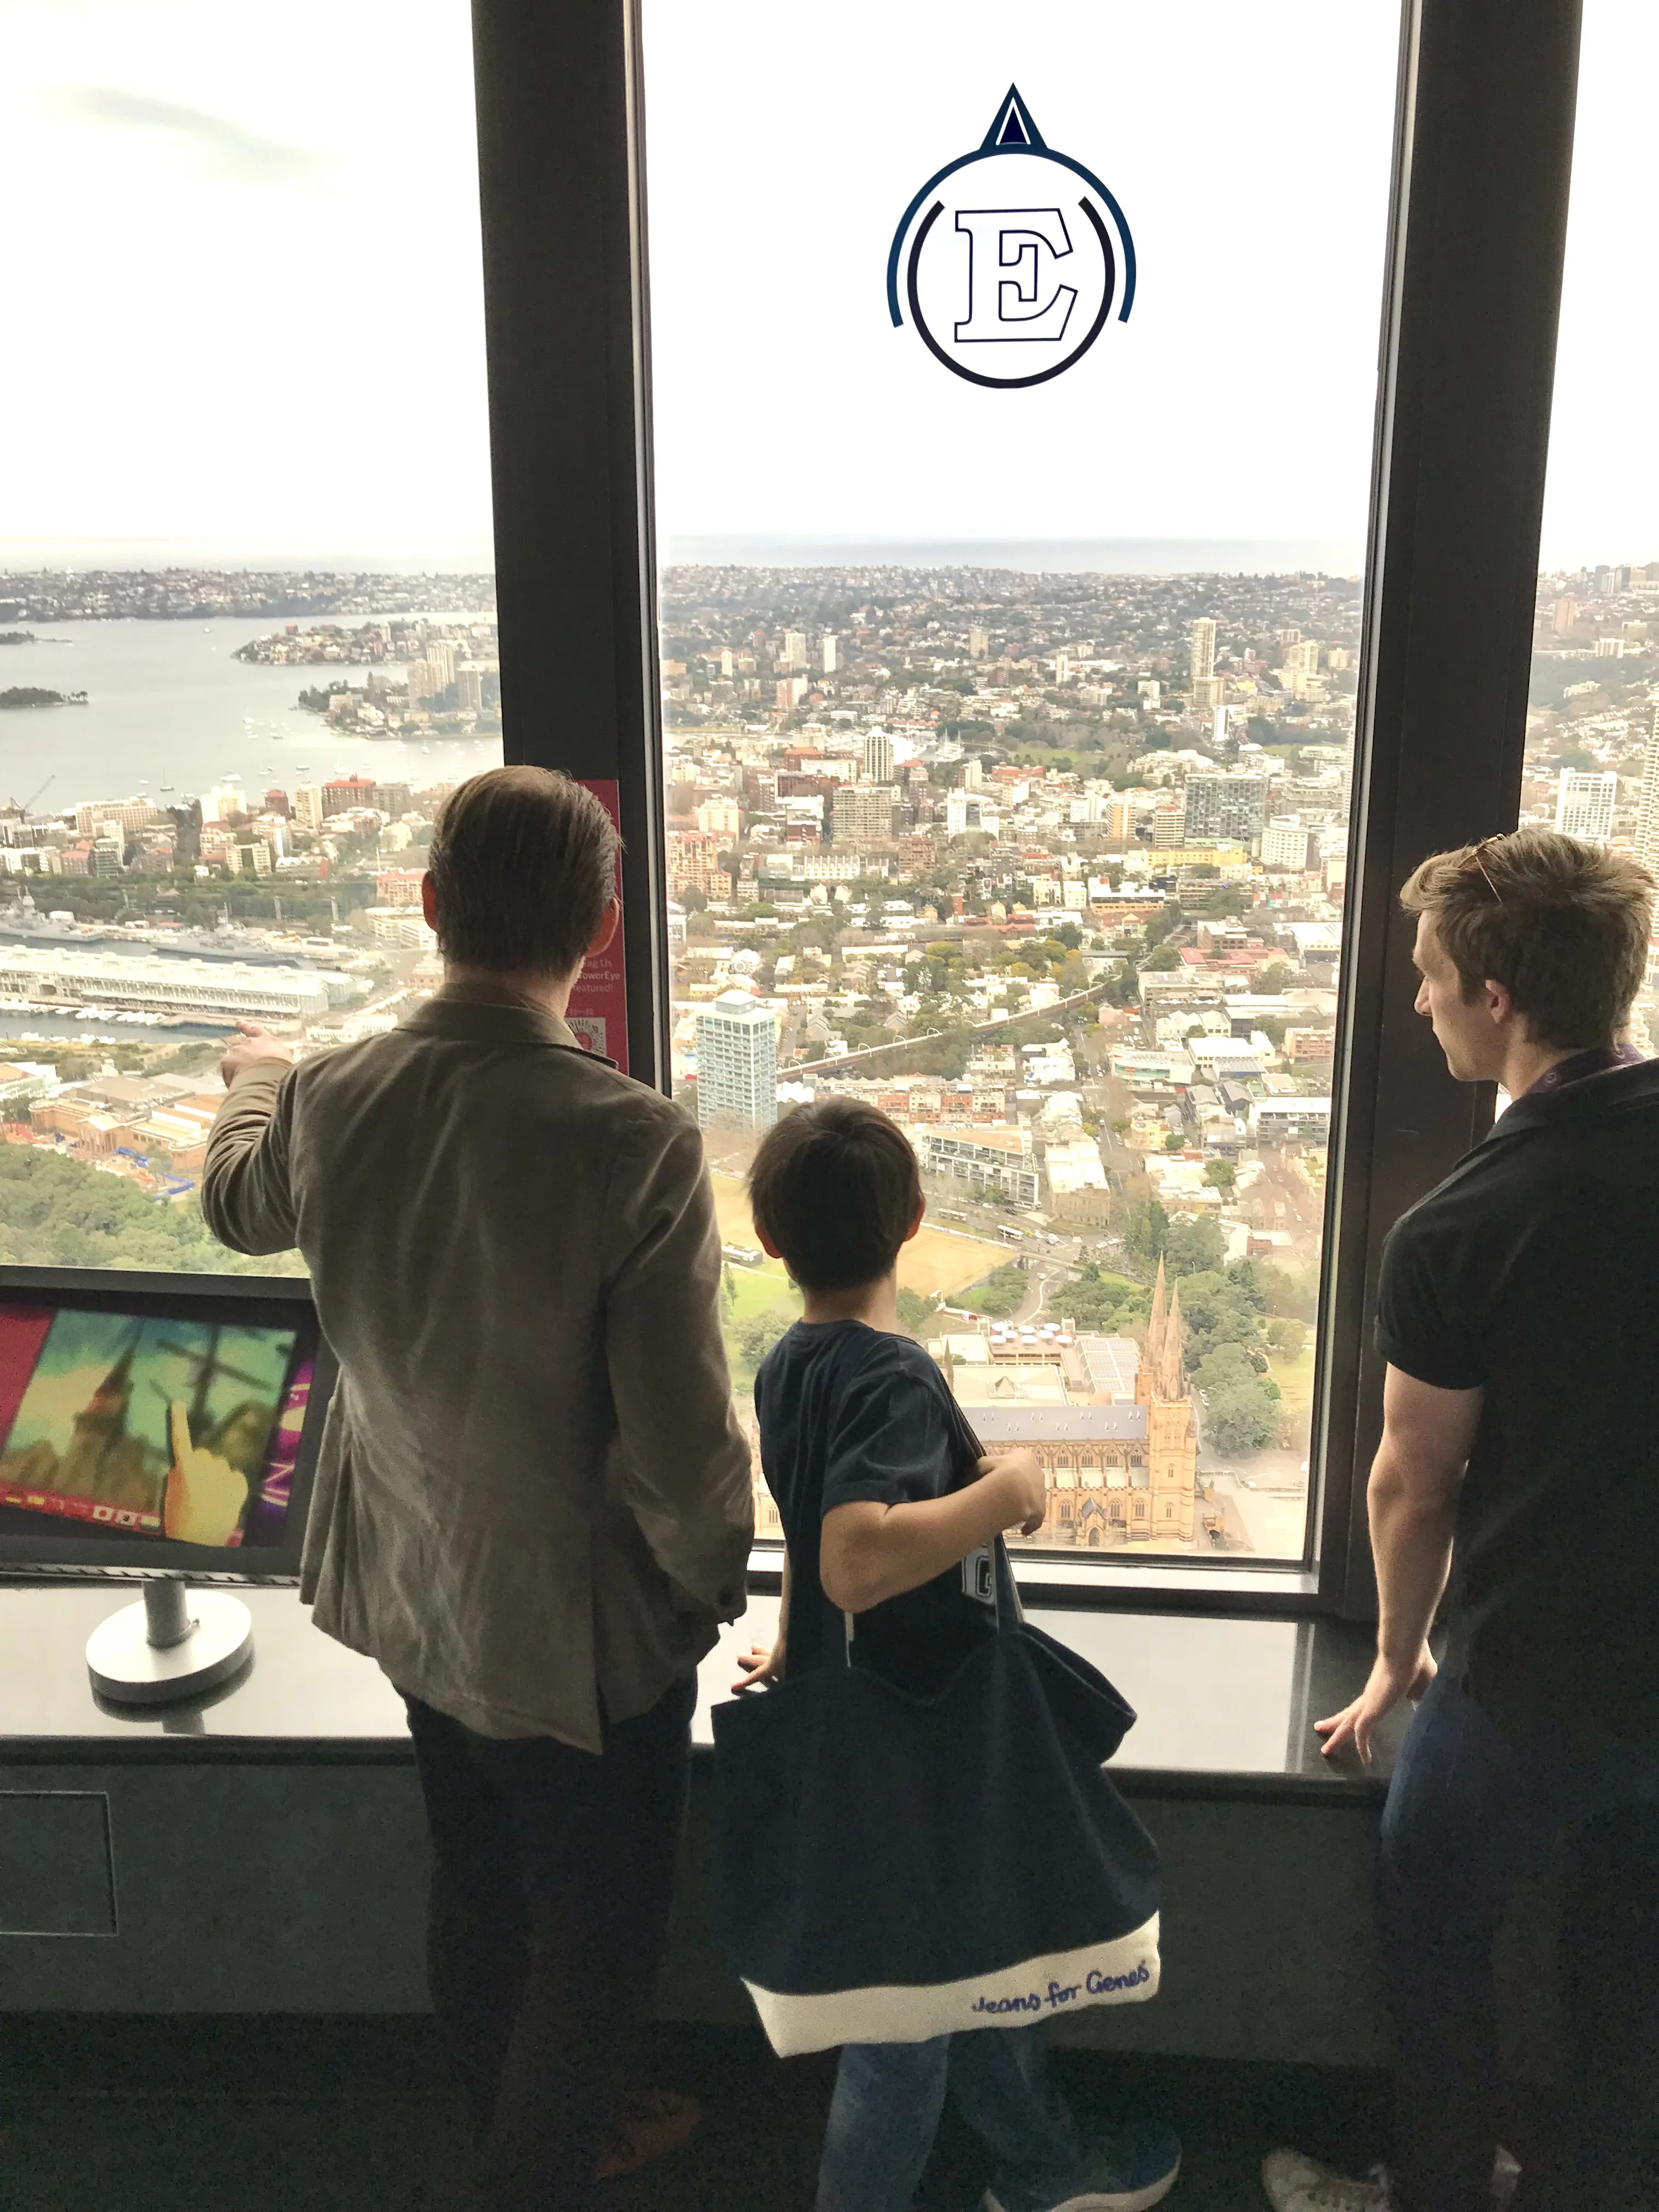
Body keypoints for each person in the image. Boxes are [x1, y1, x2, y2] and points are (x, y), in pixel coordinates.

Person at [200, 765, 754, 2212]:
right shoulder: (630, 1140)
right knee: (596, 1932)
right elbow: (682, 1443)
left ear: (432, 905)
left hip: (413, 1586)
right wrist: (709, 1588)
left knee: (475, 1877)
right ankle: (541, 2165)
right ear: (602, 924)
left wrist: (257, 1077)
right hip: (577, 1636)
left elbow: (237, 1204)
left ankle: (509, 2112)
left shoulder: (333, 1101)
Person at [1263, 828, 1659, 2212]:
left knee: (1434, 1916)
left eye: (1430, 976)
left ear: (1498, 999)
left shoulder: (1462, 1224)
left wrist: (1392, 1658)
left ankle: (1436, 2185)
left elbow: (1411, 1481)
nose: (1417, 999)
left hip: (1539, 1675)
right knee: (1630, 1974)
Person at [733, 1097, 1181, 2212]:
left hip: (875, 1720)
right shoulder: (890, 1374)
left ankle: (1042, 2161)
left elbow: (801, 1526)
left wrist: (795, 1638)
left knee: (979, 1979)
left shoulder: (794, 1361)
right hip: (924, 1743)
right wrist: (1007, 1491)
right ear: (918, 1220)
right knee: (908, 2025)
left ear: (774, 1240)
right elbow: (852, 1556)